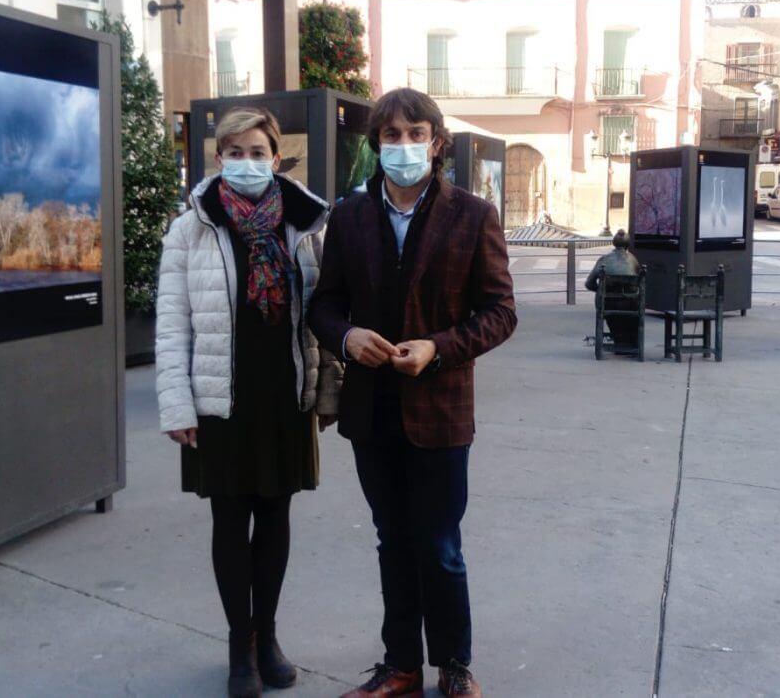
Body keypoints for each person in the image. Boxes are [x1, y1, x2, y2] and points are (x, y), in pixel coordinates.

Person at [309, 88, 517, 698]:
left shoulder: (473, 215)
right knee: (392, 541)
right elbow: (324, 304)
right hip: (372, 411)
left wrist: (438, 347)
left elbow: (501, 312)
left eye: (415, 134)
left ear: (436, 142)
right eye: (391, 135)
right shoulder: (350, 216)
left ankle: (454, 665)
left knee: (440, 545)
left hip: (441, 410)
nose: (403, 146)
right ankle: (400, 665)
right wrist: (347, 337)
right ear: (376, 144)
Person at [156, 107, 342, 698]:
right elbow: (171, 322)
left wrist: (328, 388)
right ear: (218, 159)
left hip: (285, 396)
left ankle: (268, 637)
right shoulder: (191, 228)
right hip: (220, 400)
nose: (246, 162)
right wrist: (176, 404)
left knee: (277, 518)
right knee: (230, 521)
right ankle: (241, 644)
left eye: (257, 152)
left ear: (276, 158)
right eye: (234, 152)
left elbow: (324, 313)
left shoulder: (305, 225)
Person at [585, 229, 643, 349]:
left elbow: (589, 283)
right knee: (632, 307)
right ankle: (629, 344)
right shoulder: (633, 260)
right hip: (630, 304)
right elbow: (639, 282)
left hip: (607, 304)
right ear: (628, 245)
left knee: (609, 309)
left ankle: (619, 340)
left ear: (613, 243)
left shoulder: (604, 260)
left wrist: (602, 291)